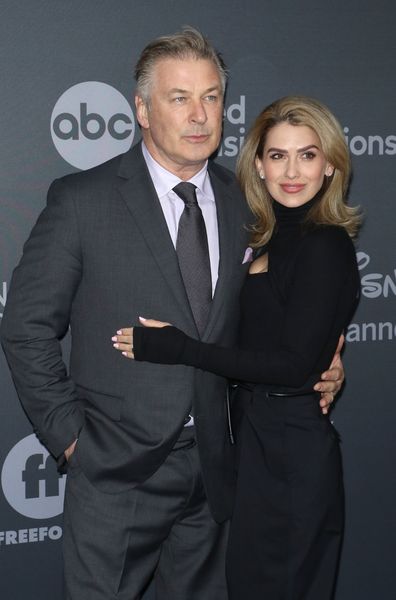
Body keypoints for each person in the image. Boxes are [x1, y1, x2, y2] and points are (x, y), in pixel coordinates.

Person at [1, 26, 343, 600]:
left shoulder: (249, 205)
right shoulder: (84, 200)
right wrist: (72, 441)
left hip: (216, 473)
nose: (199, 115)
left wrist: (326, 362)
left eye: (211, 97)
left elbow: (278, 319)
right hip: (115, 473)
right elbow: (26, 325)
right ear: (141, 109)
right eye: (178, 98)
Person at [113, 95, 361, 599]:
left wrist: (183, 348)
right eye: (277, 155)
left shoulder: (325, 245)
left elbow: (292, 368)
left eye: (308, 155)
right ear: (259, 166)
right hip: (252, 444)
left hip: (291, 452)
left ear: (331, 165)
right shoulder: (265, 237)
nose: (292, 171)